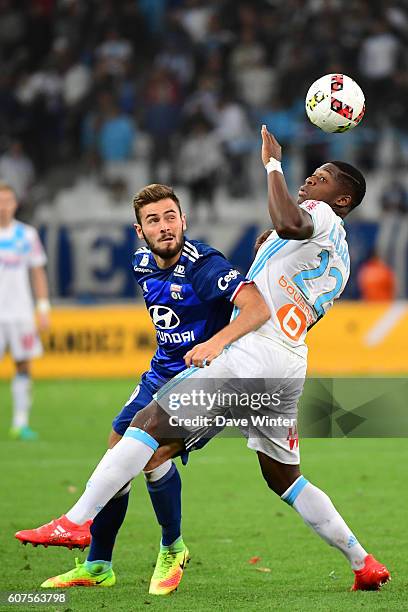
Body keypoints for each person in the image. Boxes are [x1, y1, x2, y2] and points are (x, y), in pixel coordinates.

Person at [16, 127, 391, 593]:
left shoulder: (317, 216)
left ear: (343, 200)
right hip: (288, 365)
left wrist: (272, 164)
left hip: (251, 354)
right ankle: (362, 561)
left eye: (321, 178)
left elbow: (291, 225)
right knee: (285, 479)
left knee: (150, 426)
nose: (309, 181)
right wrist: (269, 249)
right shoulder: (341, 258)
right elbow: (290, 264)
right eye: (311, 175)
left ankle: (76, 522)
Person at [16, 183, 268, 595]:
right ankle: (98, 565)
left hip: (206, 380)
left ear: (184, 220)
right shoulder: (141, 264)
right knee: (119, 450)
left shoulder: (205, 264)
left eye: (171, 217)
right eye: (154, 220)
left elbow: (257, 307)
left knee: (146, 454)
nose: (165, 226)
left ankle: (172, 547)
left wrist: (215, 342)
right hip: (159, 373)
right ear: (140, 231)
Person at [0, 182, 50, 440]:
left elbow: (37, 271)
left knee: (23, 365)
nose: (4, 206)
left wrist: (43, 306)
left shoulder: (27, 235)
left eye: (8, 200)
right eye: (0, 200)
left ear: (15, 204)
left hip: (20, 312)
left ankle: (20, 423)